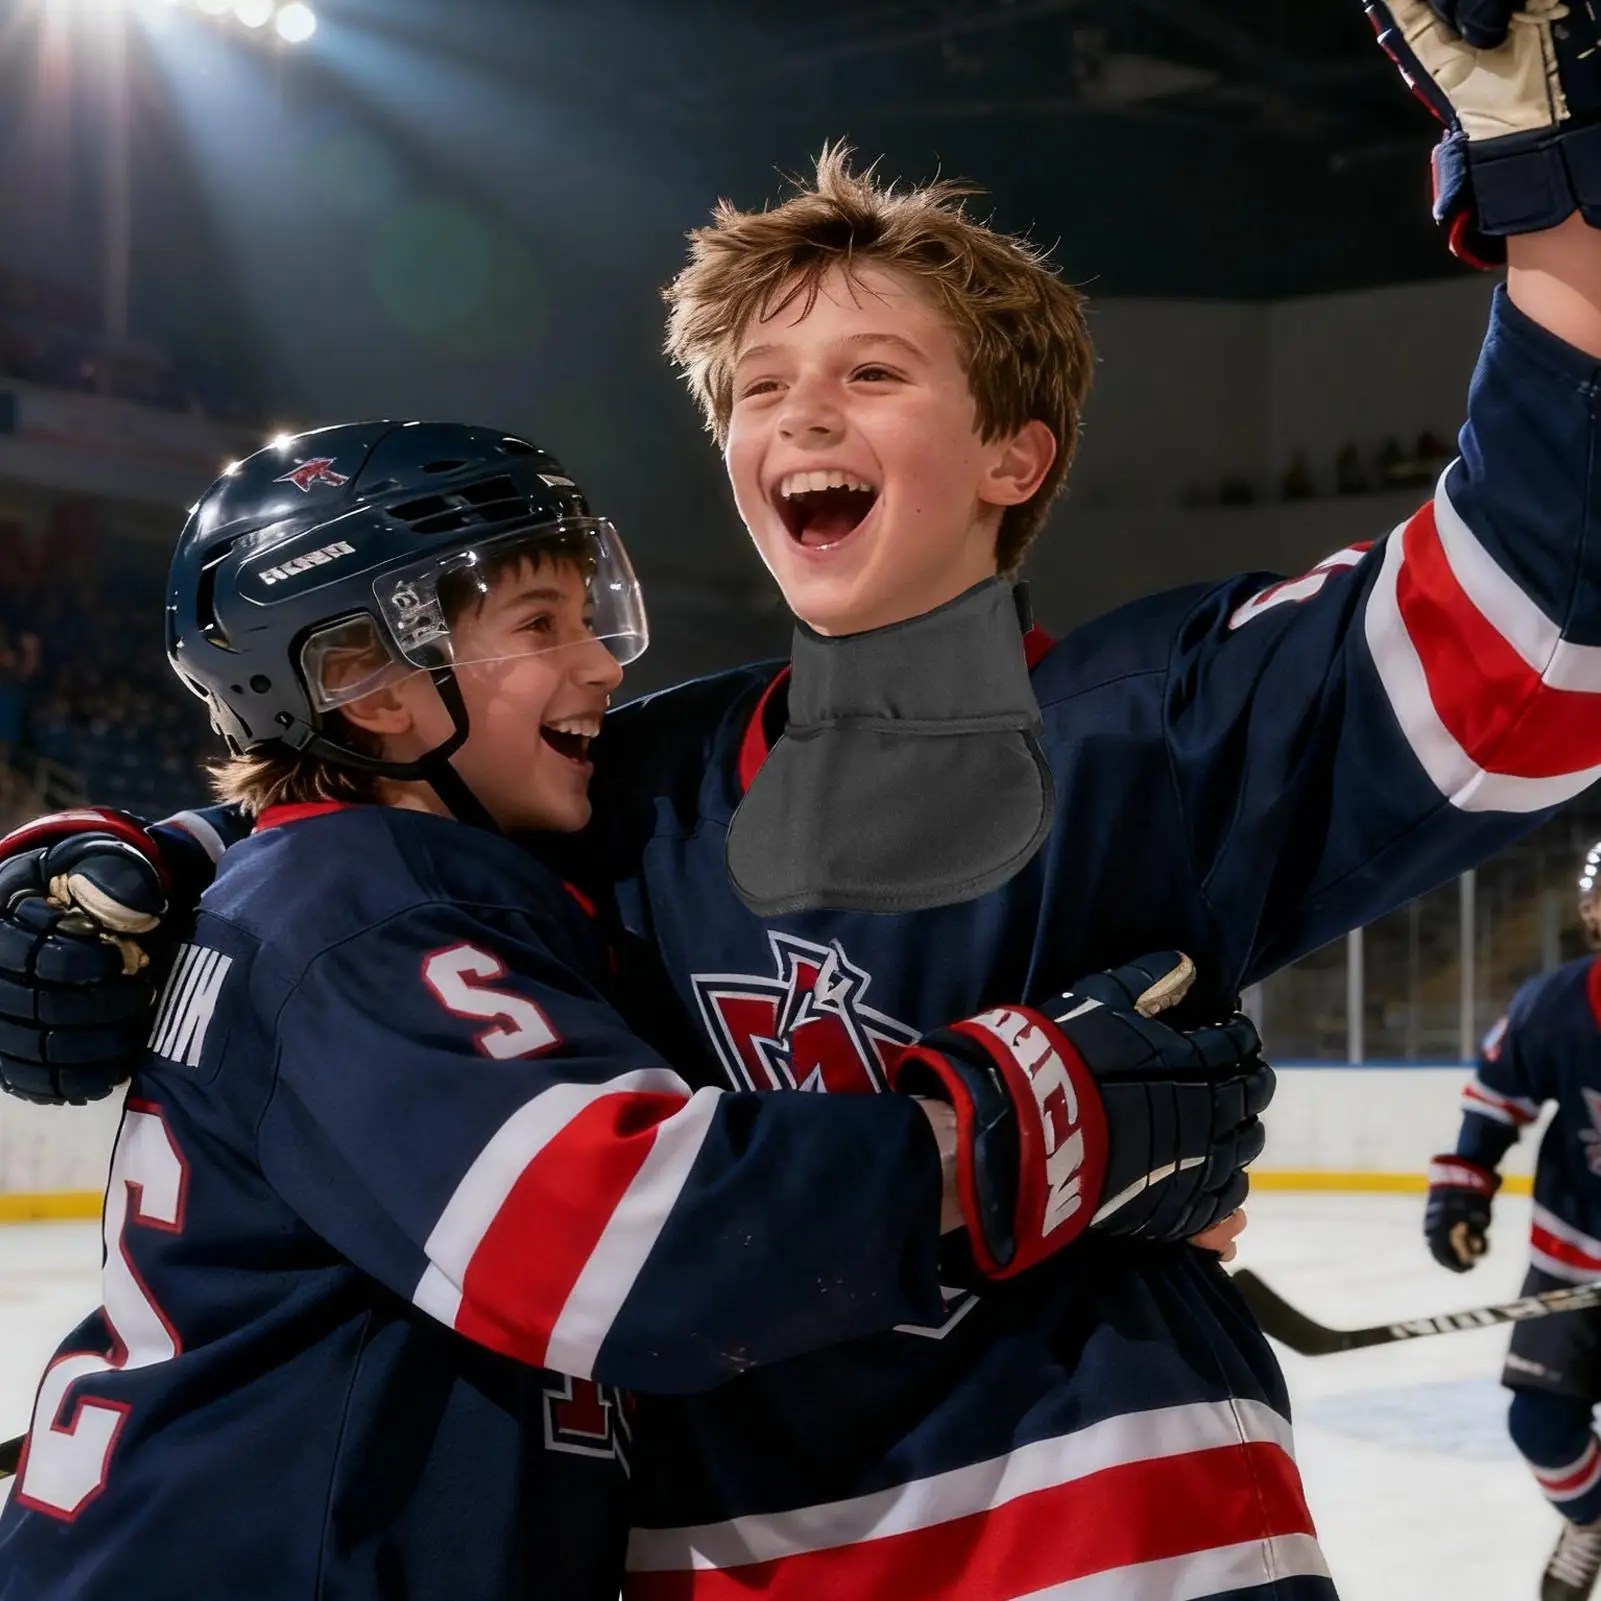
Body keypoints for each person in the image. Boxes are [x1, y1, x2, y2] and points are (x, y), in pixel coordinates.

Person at [10, 3, 1601, 1594]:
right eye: (759, 386)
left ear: (1014, 454)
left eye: (872, 370)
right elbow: (344, 837)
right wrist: (127, 877)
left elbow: (1534, 625)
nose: (803, 416)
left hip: (1111, 1550)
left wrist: (1550, 198)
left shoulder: (1156, 722)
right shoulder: (625, 782)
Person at [0, 423, 1268, 1601]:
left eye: (588, 612)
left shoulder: (391, 886)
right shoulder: (361, 910)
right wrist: (1012, 1126)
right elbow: (627, 1242)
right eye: (539, 622)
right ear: (365, 680)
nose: (602, 661)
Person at [1425, 842, 1601, 1601]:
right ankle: (1591, 1520)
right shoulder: (1555, 1006)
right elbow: (1495, 1105)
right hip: (1572, 1250)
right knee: (1539, 1424)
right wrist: (1461, 1193)